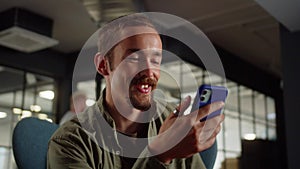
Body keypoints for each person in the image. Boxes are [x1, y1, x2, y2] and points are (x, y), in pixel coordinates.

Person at [47, 13, 225, 169]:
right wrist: (160, 154)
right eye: (134, 58)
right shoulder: (70, 142)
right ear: (103, 65)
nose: (149, 72)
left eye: (155, 60)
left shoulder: (173, 121)